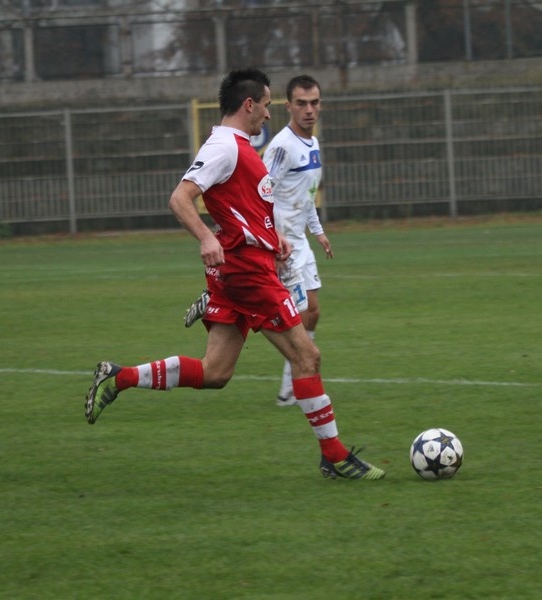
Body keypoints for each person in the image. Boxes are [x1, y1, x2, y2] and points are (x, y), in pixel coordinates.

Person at [86, 68, 384, 480]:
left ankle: (120, 378)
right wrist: (206, 238)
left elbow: (243, 207)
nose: (268, 113)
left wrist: (272, 237)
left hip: (246, 267)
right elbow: (180, 198)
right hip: (248, 275)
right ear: (249, 105)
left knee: (216, 373)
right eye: (265, 104)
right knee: (307, 355)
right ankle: (334, 457)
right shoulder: (224, 147)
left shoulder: (238, 146)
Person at [262, 75, 332, 406]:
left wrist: (317, 230)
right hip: (282, 246)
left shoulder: (314, 145)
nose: (309, 110)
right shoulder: (280, 146)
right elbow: (260, 193)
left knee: (313, 312)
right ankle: (292, 386)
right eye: (301, 103)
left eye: (314, 102)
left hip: (301, 242)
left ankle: (297, 377)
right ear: (288, 106)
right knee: (298, 315)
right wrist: (272, 237)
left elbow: (307, 197)